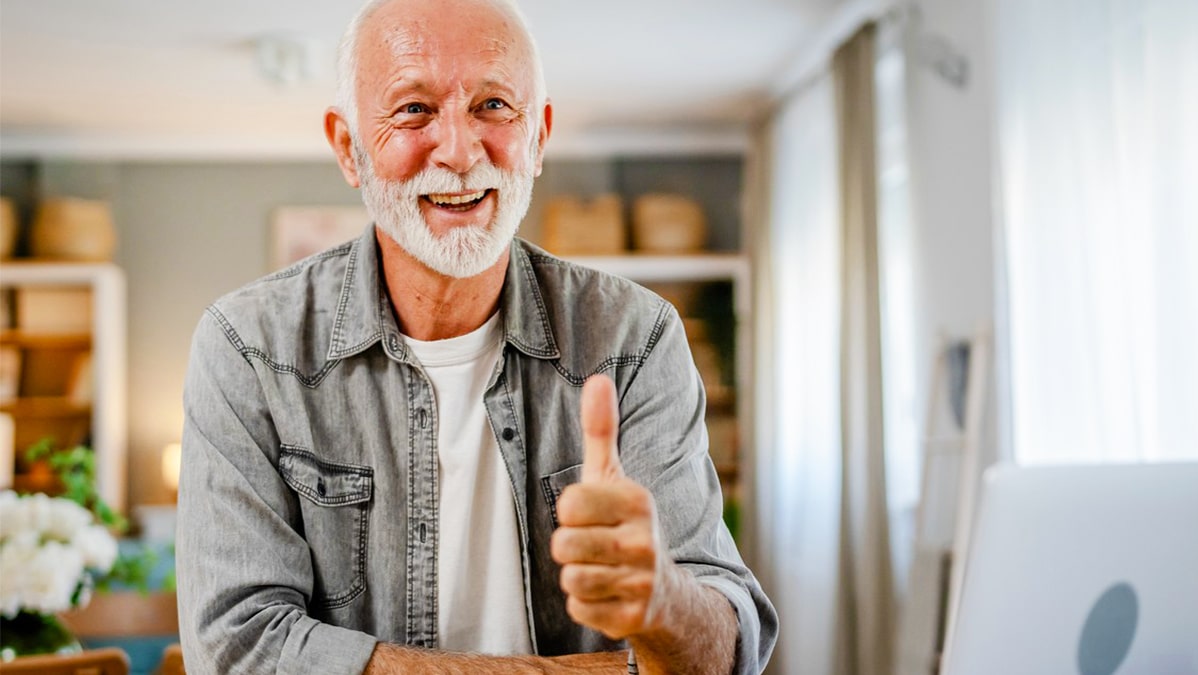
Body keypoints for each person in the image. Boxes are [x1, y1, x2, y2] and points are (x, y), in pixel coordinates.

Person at [175, 0, 778, 672]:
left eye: (493, 105)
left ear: (539, 136)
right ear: (349, 147)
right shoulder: (248, 348)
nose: (460, 153)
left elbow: (729, 652)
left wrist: (663, 598)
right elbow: (237, 649)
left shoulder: (635, 338)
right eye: (413, 109)